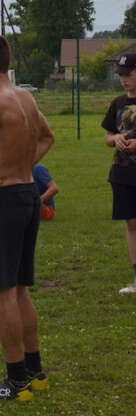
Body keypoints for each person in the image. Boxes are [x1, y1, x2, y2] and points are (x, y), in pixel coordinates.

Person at [0, 34, 54, 402]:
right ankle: (35, 373)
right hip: (28, 197)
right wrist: (20, 166)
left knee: (2, 292)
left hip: (2, 200)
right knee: (19, 289)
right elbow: (48, 137)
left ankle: (15, 382)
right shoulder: (25, 97)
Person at [100, 51, 136, 295]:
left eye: (129, 74)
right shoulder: (117, 103)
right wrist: (116, 139)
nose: (124, 79)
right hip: (122, 173)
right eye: (121, 75)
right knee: (131, 223)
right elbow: (107, 136)